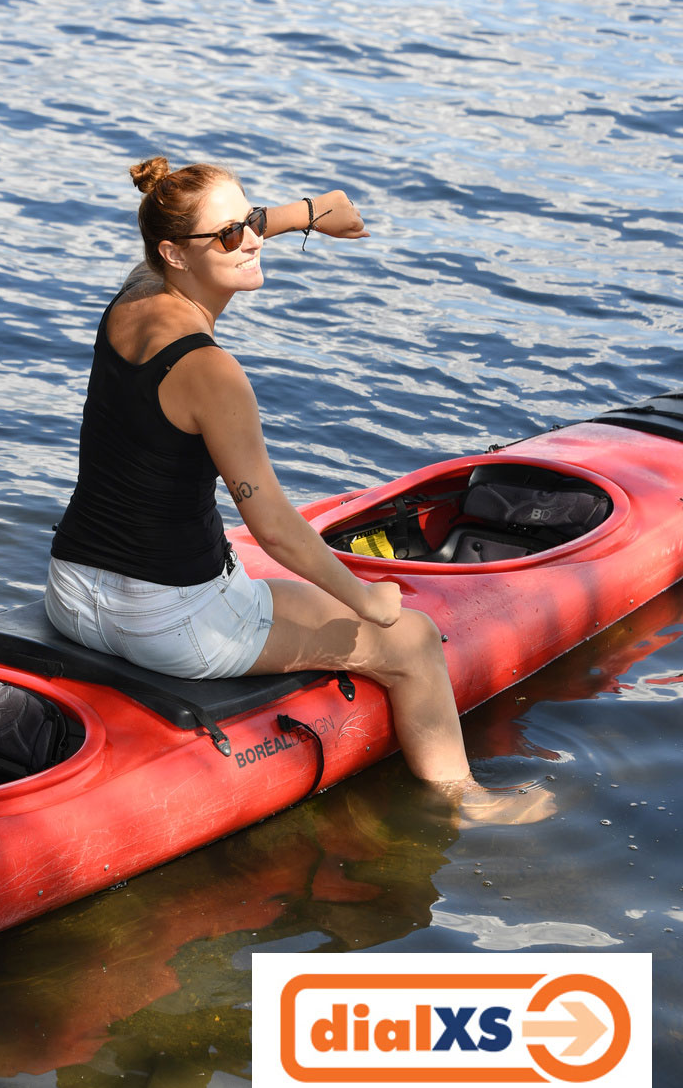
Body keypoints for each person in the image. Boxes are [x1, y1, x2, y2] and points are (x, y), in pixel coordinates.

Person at [46, 157, 553, 824]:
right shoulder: (212, 373)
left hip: (71, 593)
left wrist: (311, 212)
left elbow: (222, 232)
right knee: (415, 643)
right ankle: (465, 801)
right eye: (231, 235)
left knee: (243, 579)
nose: (252, 238)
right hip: (167, 623)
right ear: (173, 252)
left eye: (252, 221)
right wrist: (366, 599)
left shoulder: (135, 296)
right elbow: (276, 530)